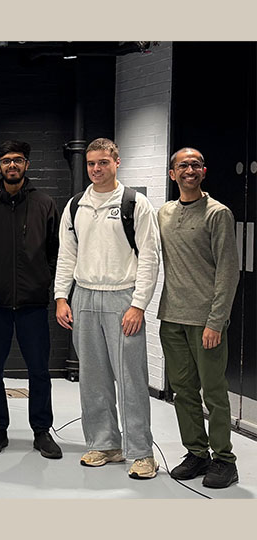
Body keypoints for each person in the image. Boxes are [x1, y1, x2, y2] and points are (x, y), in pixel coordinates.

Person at [55, 138, 161, 479]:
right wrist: (61, 297)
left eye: (103, 162)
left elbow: (150, 257)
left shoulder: (135, 203)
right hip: (84, 297)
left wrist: (138, 305)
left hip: (122, 299)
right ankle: (105, 444)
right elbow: (66, 254)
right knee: (93, 378)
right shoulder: (76, 205)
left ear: (117, 162)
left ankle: (141, 453)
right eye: (91, 163)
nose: (96, 169)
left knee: (131, 379)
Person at [0, 140, 62, 459]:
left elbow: (56, 250)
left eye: (18, 160)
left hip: (32, 304)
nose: (12, 165)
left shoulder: (45, 204)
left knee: (39, 371)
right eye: (7, 160)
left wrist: (43, 280)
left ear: (27, 164)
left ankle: (42, 431)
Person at [158, 148, 239, 488]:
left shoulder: (218, 214)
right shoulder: (164, 213)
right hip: (171, 318)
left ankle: (224, 460)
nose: (189, 169)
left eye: (195, 165)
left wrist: (216, 321)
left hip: (205, 321)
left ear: (203, 172)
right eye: (183, 165)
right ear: (172, 173)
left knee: (214, 392)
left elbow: (228, 271)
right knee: (183, 391)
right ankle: (197, 453)